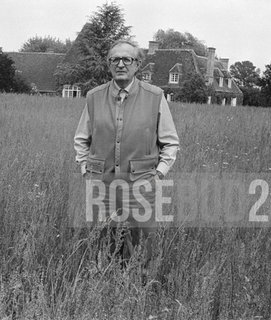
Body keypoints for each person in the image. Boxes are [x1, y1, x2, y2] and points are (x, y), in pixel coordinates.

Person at [73, 39, 180, 265]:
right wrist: (85, 170)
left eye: (127, 59)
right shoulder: (94, 97)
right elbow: (81, 139)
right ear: (109, 64)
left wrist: (158, 174)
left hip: (141, 187)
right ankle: (104, 289)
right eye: (115, 59)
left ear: (137, 64)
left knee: (141, 247)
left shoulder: (155, 96)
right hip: (101, 186)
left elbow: (170, 143)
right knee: (102, 245)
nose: (120, 64)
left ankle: (139, 291)